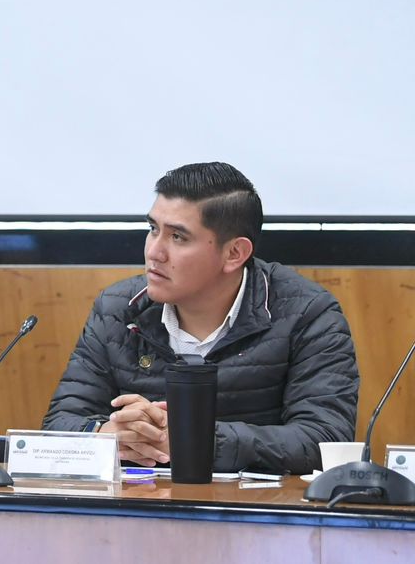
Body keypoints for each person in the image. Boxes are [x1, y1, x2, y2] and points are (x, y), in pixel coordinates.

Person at [44, 162, 359, 474]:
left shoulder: (307, 315)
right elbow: (59, 424)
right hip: (142, 500)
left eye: (178, 237)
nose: (154, 252)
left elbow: (324, 440)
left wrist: (197, 441)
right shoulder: (118, 309)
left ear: (234, 253)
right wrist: (108, 435)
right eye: (153, 229)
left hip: (255, 505)